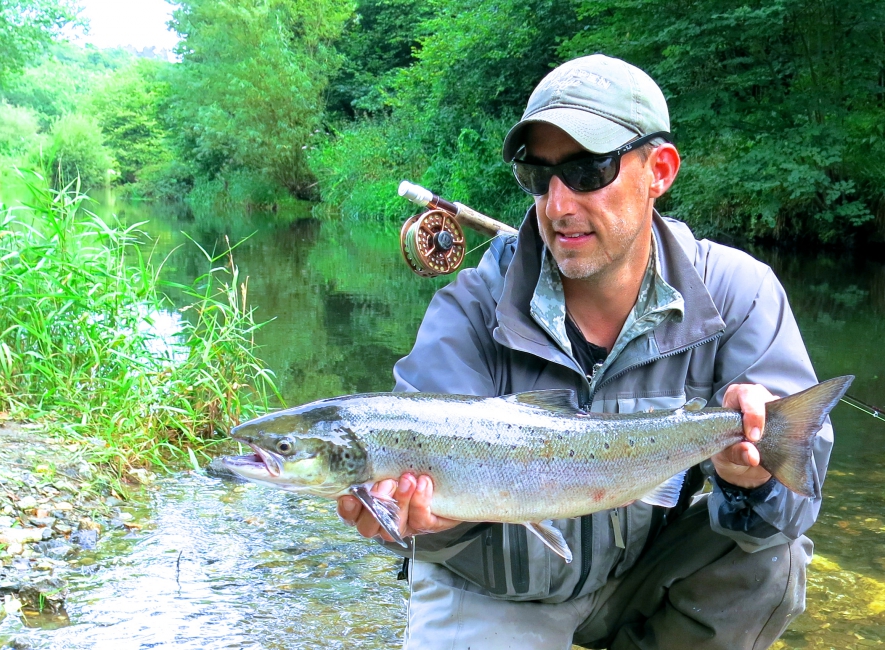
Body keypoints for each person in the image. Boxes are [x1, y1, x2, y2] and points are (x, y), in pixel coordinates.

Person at [337, 54, 832, 650]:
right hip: (500, 586)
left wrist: (751, 482)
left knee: (774, 560)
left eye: (588, 170)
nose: (557, 205)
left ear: (660, 170)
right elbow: (414, 503)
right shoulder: (471, 308)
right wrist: (423, 526)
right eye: (538, 176)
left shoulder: (738, 294)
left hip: (646, 576)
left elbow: (797, 503)